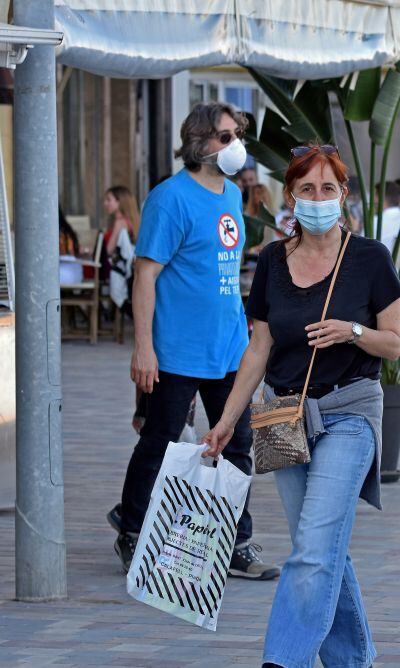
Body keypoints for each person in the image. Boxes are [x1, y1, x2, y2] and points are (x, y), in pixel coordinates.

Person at [201, 143, 400, 668]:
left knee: (314, 547)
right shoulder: (272, 260)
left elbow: (394, 343)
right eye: (307, 189)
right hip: (281, 417)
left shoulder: (370, 259)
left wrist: (353, 331)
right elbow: (259, 347)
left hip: (348, 414)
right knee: (320, 547)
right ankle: (353, 660)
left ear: (344, 195)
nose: (318, 198)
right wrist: (225, 421)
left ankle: (282, 660)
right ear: (291, 195)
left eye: (328, 189)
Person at [110, 101, 279, 580]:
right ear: (198, 143)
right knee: (162, 443)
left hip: (229, 348)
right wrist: (143, 347)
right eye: (225, 137)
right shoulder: (170, 198)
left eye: (237, 135)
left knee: (239, 444)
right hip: (178, 351)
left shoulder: (230, 195)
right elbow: (146, 277)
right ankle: (133, 529)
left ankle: (235, 540)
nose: (235, 146)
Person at [103, 185, 140, 256]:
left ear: (119, 201)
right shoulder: (132, 220)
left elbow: (109, 250)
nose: (105, 203)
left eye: (108, 200)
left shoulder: (120, 222)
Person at [58, 207, 83, 285]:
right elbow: (78, 250)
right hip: (77, 273)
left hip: (65, 274)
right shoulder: (67, 229)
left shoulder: (58, 233)